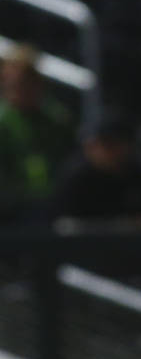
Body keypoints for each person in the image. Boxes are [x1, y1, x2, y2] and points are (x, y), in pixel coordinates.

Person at [0, 43, 76, 226]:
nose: (17, 90)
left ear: (37, 83)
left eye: (23, 83)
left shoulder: (58, 120)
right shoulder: (3, 122)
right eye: (10, 83)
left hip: (52, 205)